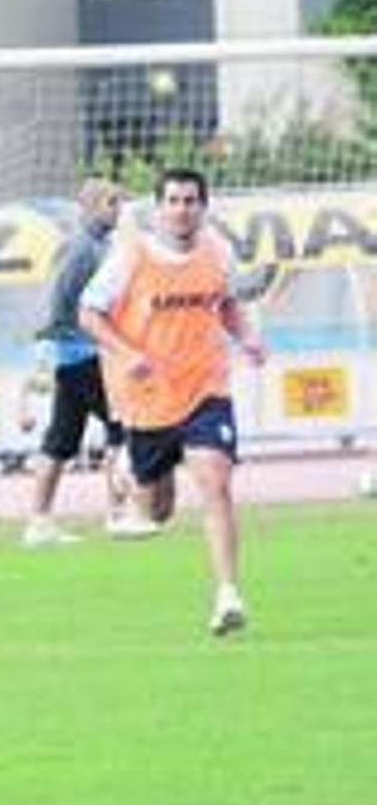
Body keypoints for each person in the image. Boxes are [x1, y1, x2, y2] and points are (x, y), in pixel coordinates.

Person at [79, 167, 267, 637]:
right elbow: (88, 313)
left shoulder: (217, 251)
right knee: (158, 511)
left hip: (207, 388)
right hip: (149, 398)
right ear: (160, 208)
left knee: (215, 480)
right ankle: (130, 481)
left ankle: (227, 595)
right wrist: (127, 354)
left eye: (191, 201)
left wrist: (246, 339)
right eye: (174, 201)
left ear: (203, 206)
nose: (183, 209)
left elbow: (224, 303)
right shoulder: (130, 256)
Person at [22, 178, 131, 546]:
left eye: (120, 202)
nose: (119, 209)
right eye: (112, 202)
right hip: (83, 353)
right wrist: (49, 344)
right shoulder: (81, 247)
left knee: (61, 439)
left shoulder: (102, 245)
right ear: (89, 206)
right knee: (122, 426)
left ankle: (38, 522)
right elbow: (58, 296)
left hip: (79, 354)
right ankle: (118, 515)